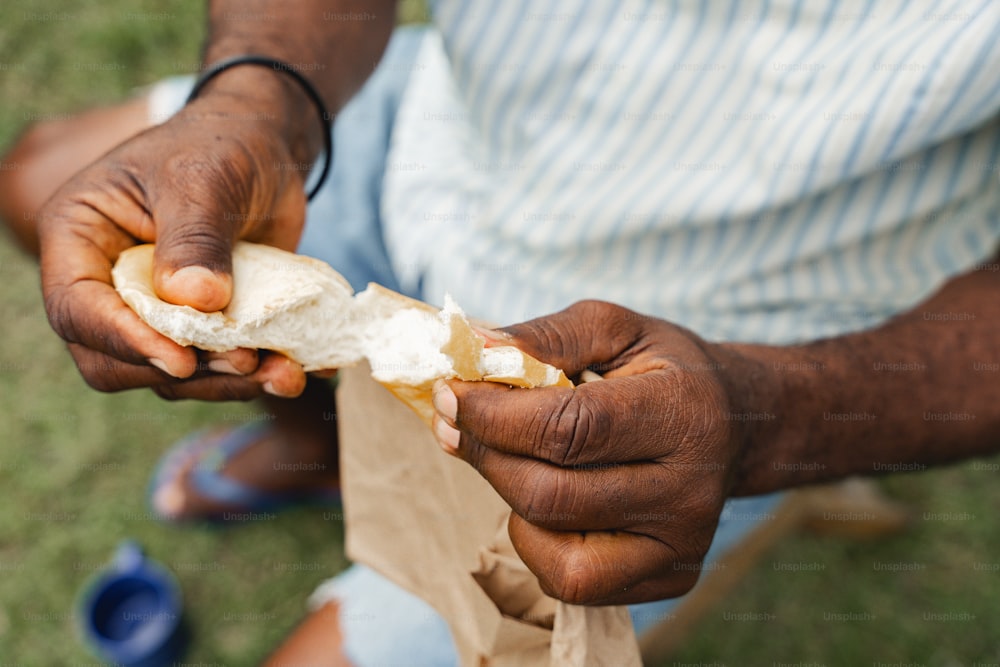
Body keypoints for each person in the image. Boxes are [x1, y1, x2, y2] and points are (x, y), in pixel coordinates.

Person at [18, 0, 1000, 664]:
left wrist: (777, 424)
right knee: (47, 181)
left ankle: (778, 490)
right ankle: (327, 447)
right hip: (451, 145)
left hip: (737, 359)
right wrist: (255, 99)